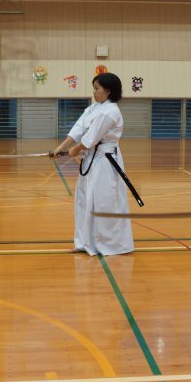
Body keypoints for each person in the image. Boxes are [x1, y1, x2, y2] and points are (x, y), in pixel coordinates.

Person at [51, 72, 134, 256]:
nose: (94, 92)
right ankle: (84, 242)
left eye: (97, 89)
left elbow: (92, 137)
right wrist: (61, 147)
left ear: (108, 91)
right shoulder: (93, 108)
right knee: (84, 201)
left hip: (106, 163)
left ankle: (109, 245)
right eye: (94, 88)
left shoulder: (111, 111)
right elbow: (78, 129)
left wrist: (75, 150)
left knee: (104, 203)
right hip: (91, 160)